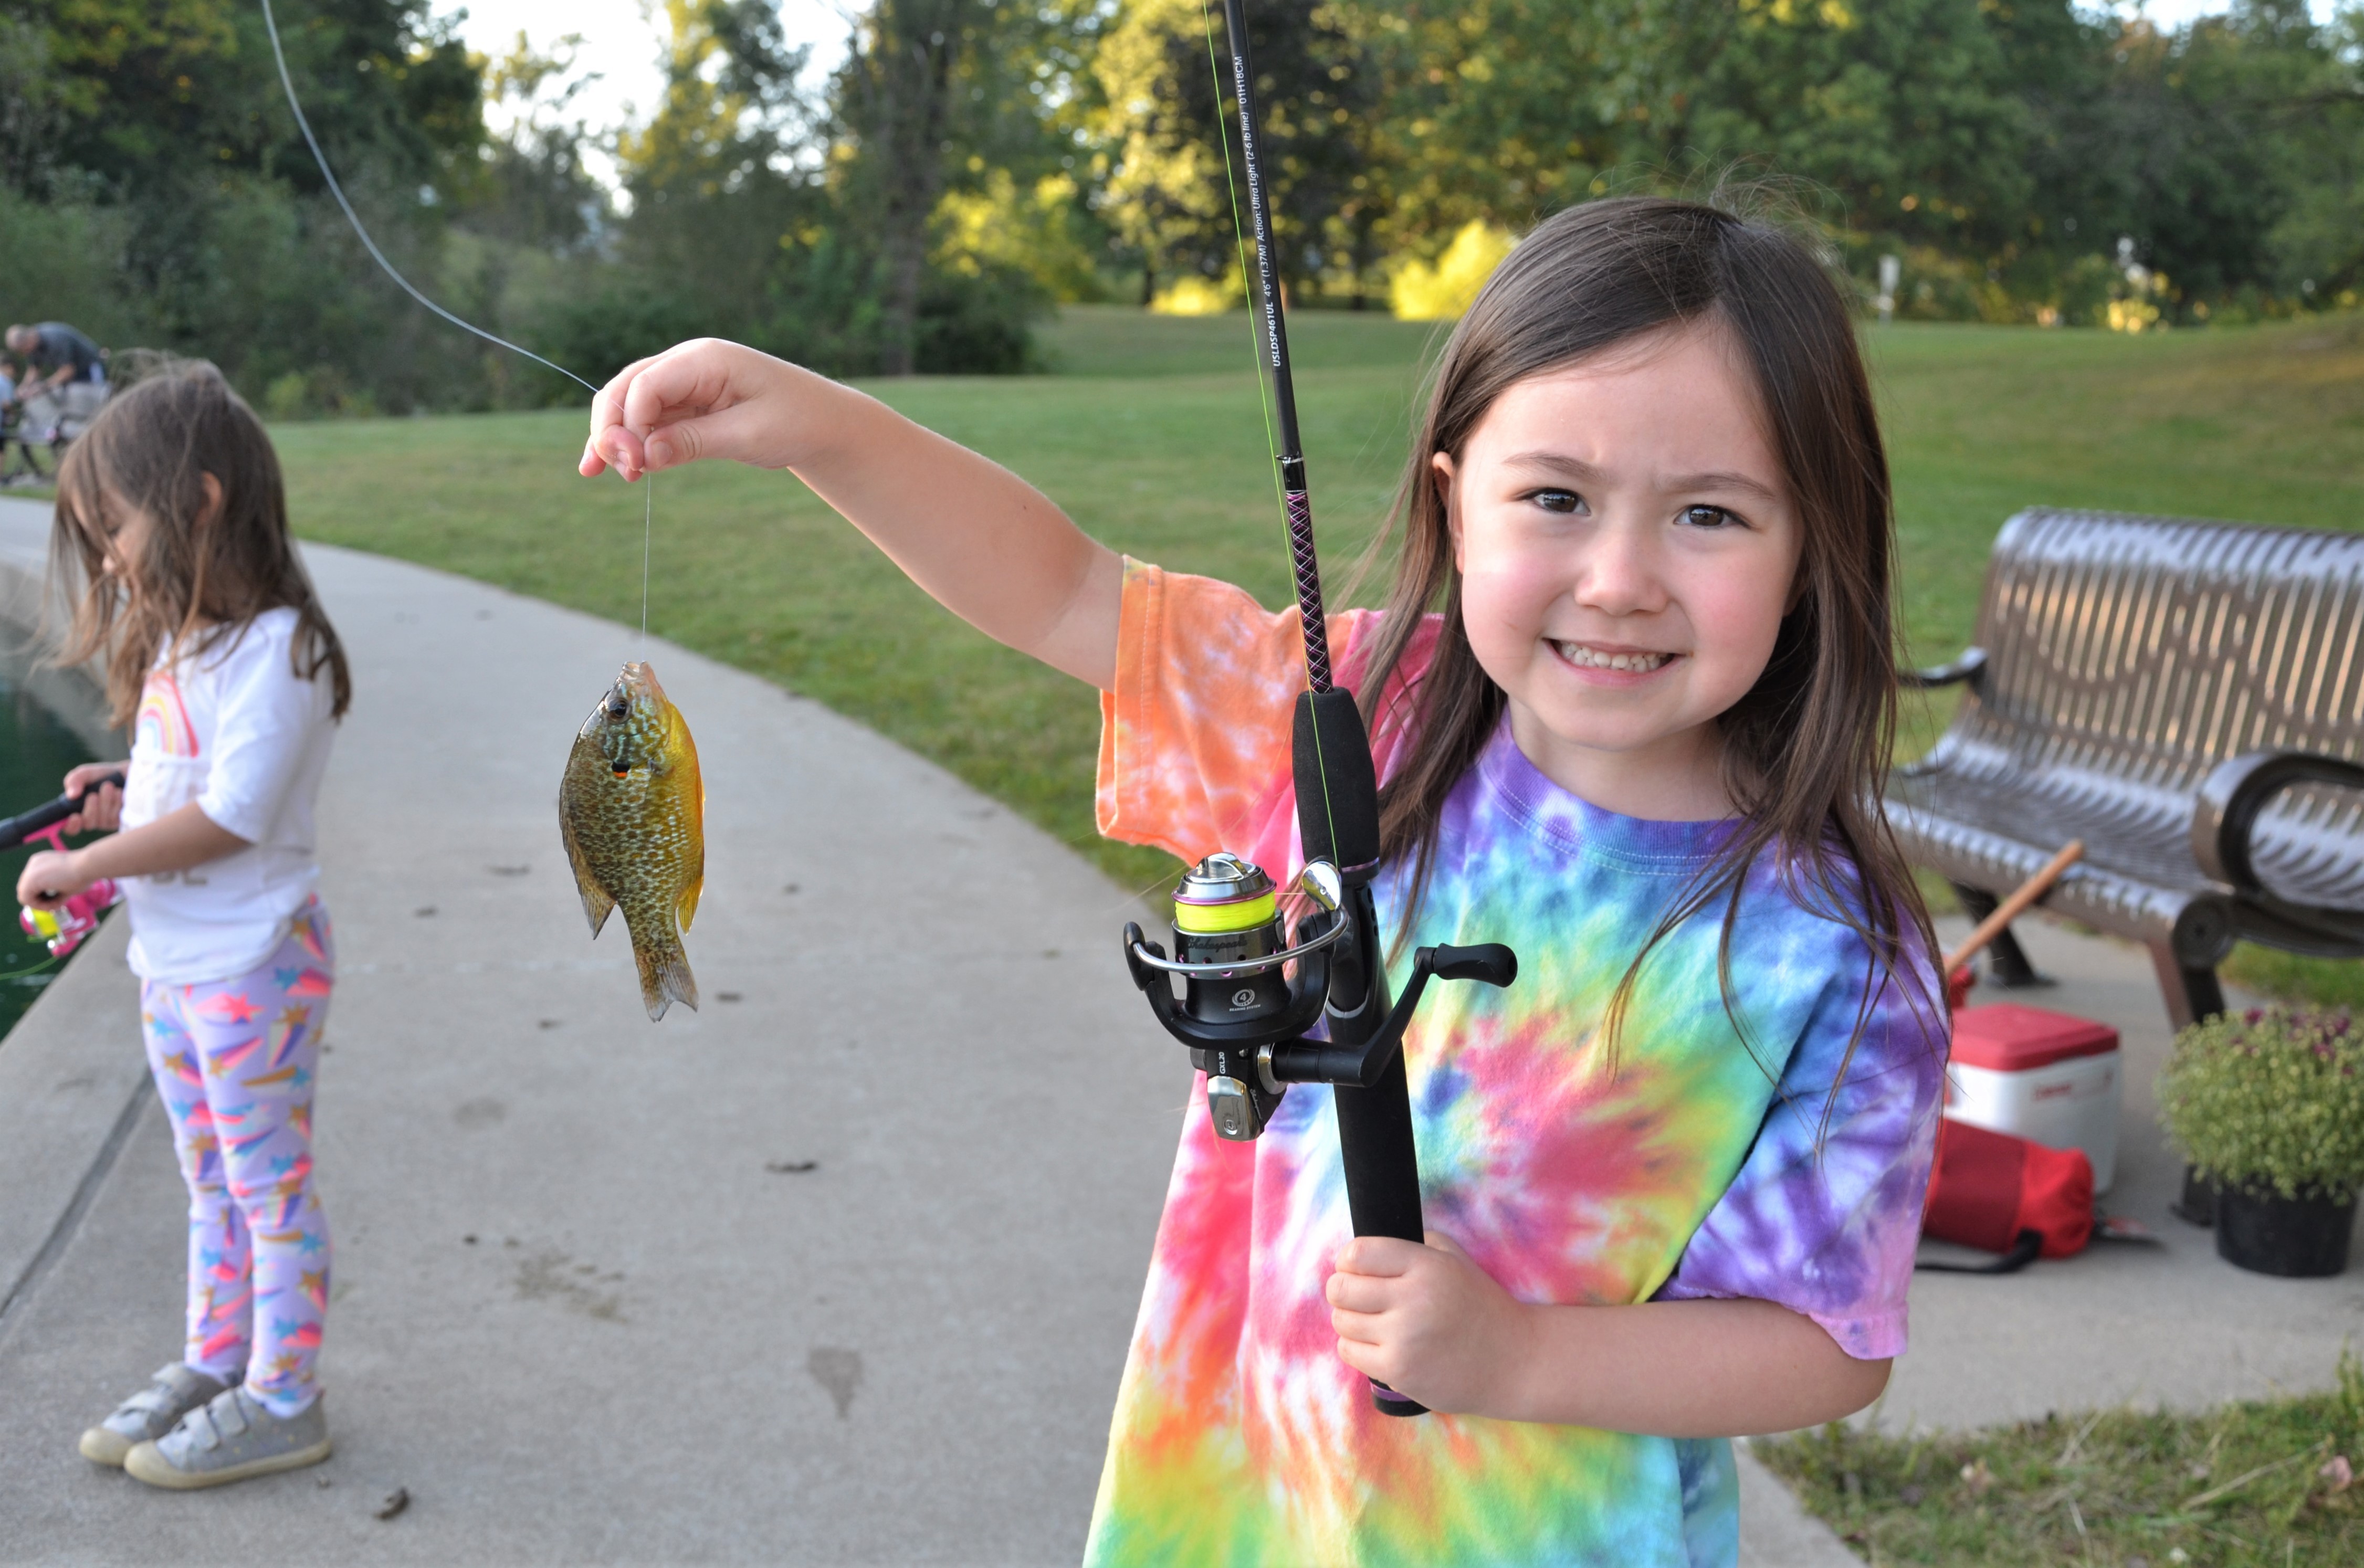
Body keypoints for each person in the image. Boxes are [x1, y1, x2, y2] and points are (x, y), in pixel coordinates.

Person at [580, 196, 1947, 1565]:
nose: (1617, 577)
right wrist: (820, 424)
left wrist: (1517, 1356)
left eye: (1707, 513)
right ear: (1452, 505)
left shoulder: (1824, 941)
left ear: (1809, 550)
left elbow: (1823, 1343)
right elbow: (1064, 594)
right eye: (1554, 498)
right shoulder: (1342, 705)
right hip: (1236, 1502)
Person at [17, 362, 349, 1490]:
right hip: (177, 966)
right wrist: (124, 786)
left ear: (199, 501)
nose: (108, 556)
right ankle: (219, 1359)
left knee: (268, 1191)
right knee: (208, 1180)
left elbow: (234, 817)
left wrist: (87, 862)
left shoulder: (281, 650)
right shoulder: (189, 642)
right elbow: (189, 781)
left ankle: (287, 1394)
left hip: (251, 969)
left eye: (114, 527)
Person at [6, 321, 106, 396]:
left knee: (96, 399)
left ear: (28, 340)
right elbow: (34, 369)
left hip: (90, 367)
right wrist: (24, 387)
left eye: (24, 350)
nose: (25, 354)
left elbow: (68, 370)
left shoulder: (54, 340)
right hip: (76, 375)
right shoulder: (33, 349)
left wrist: (43, 386)